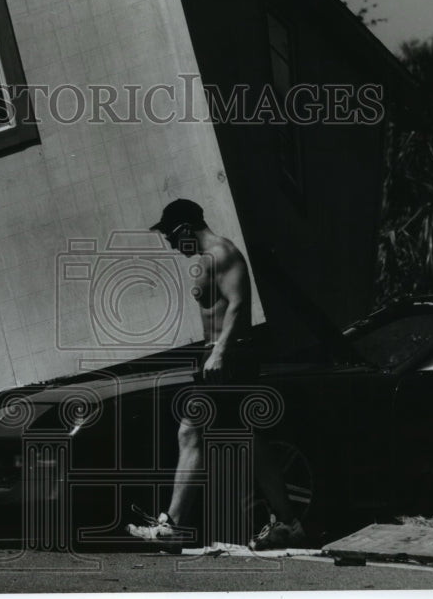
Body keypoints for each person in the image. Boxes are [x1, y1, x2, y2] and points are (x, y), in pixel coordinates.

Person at [126, 198, 306, 550]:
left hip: (230, 356)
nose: (173, 246)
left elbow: (238, 304)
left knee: (191, 430)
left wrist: (220, 352)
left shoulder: (222, 253)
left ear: (183, 229)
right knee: (246, 440)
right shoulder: (208, 260)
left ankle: (173, 525)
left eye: (172, 238)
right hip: (220, 356)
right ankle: (288, 522)